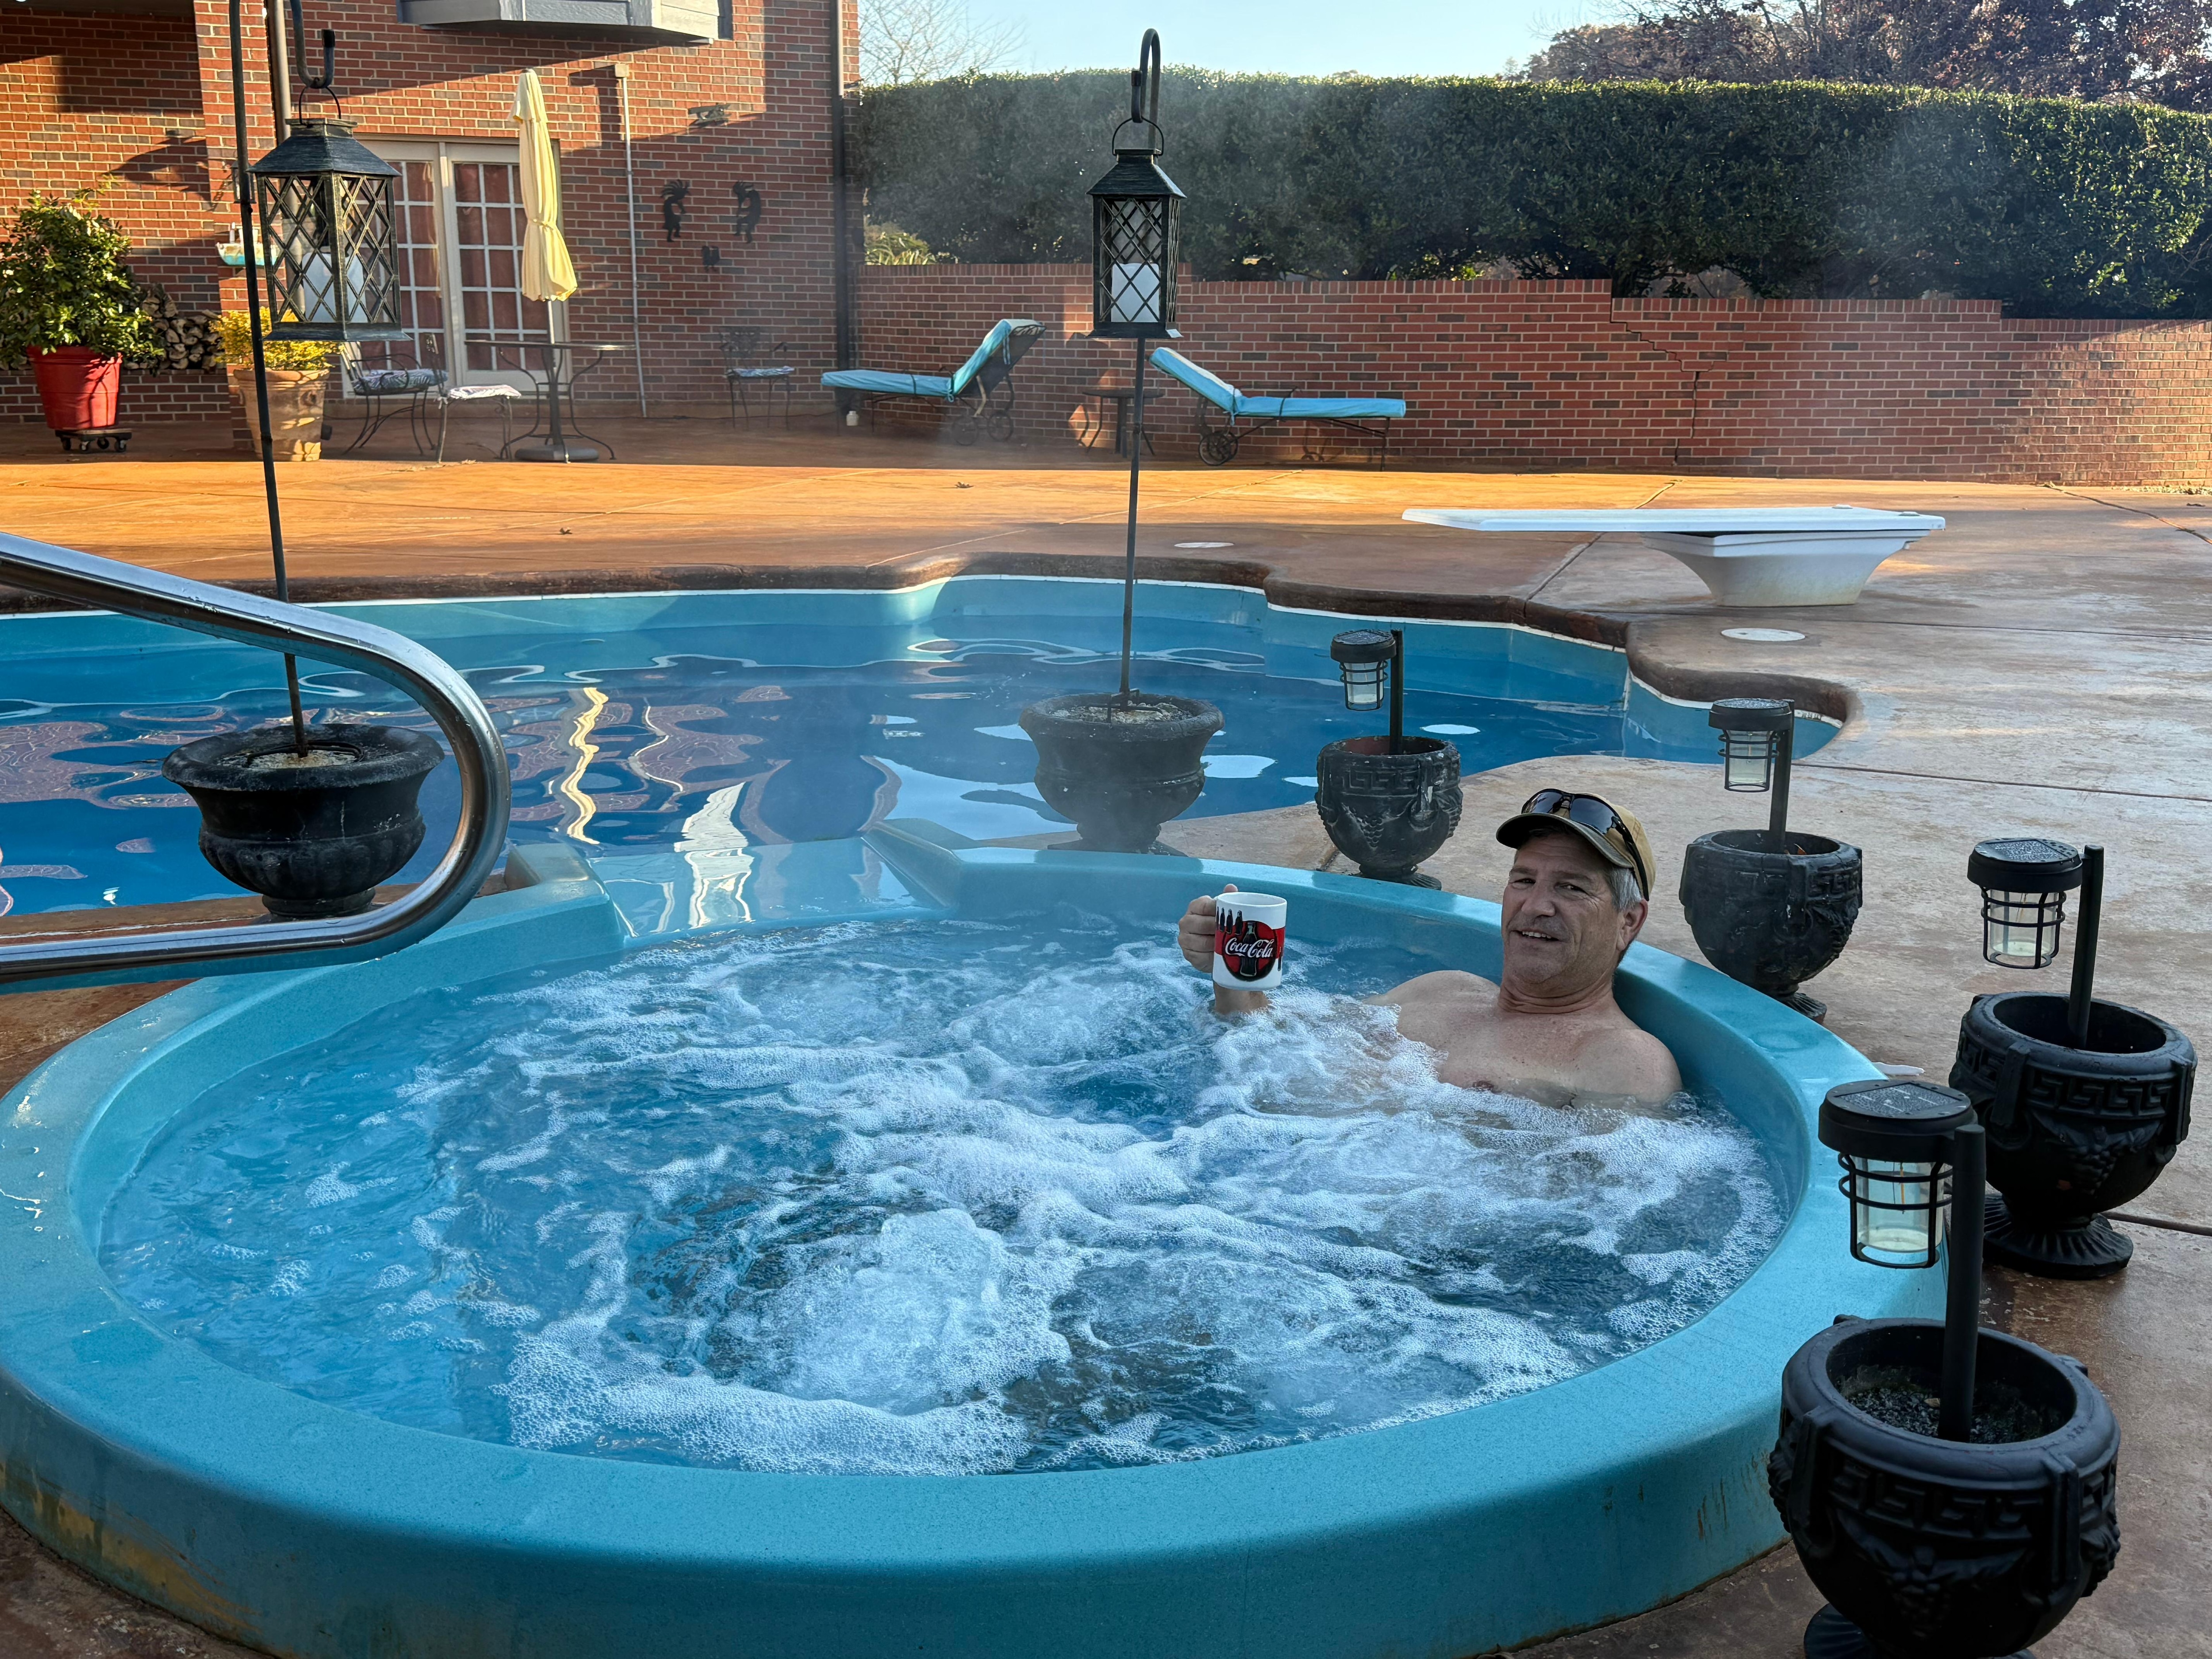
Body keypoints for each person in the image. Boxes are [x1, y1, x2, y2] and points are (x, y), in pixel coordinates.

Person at [1177, 788, 1682, 1107]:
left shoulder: (1623, 1062)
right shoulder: (1439, 989)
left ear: (1628, 922)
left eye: (1571, 888)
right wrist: (1230, 974)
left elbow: (1588, 1213)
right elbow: (1265, 1040)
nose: (1536, 906)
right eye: (1524, 880)